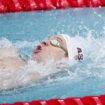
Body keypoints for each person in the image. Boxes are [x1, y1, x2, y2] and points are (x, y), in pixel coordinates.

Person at [0, 34, 83, 72]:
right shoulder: (11, 51)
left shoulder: (31, 77)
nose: (44, 41)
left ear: (65, 59)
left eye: (56, 42)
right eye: (48, 38)